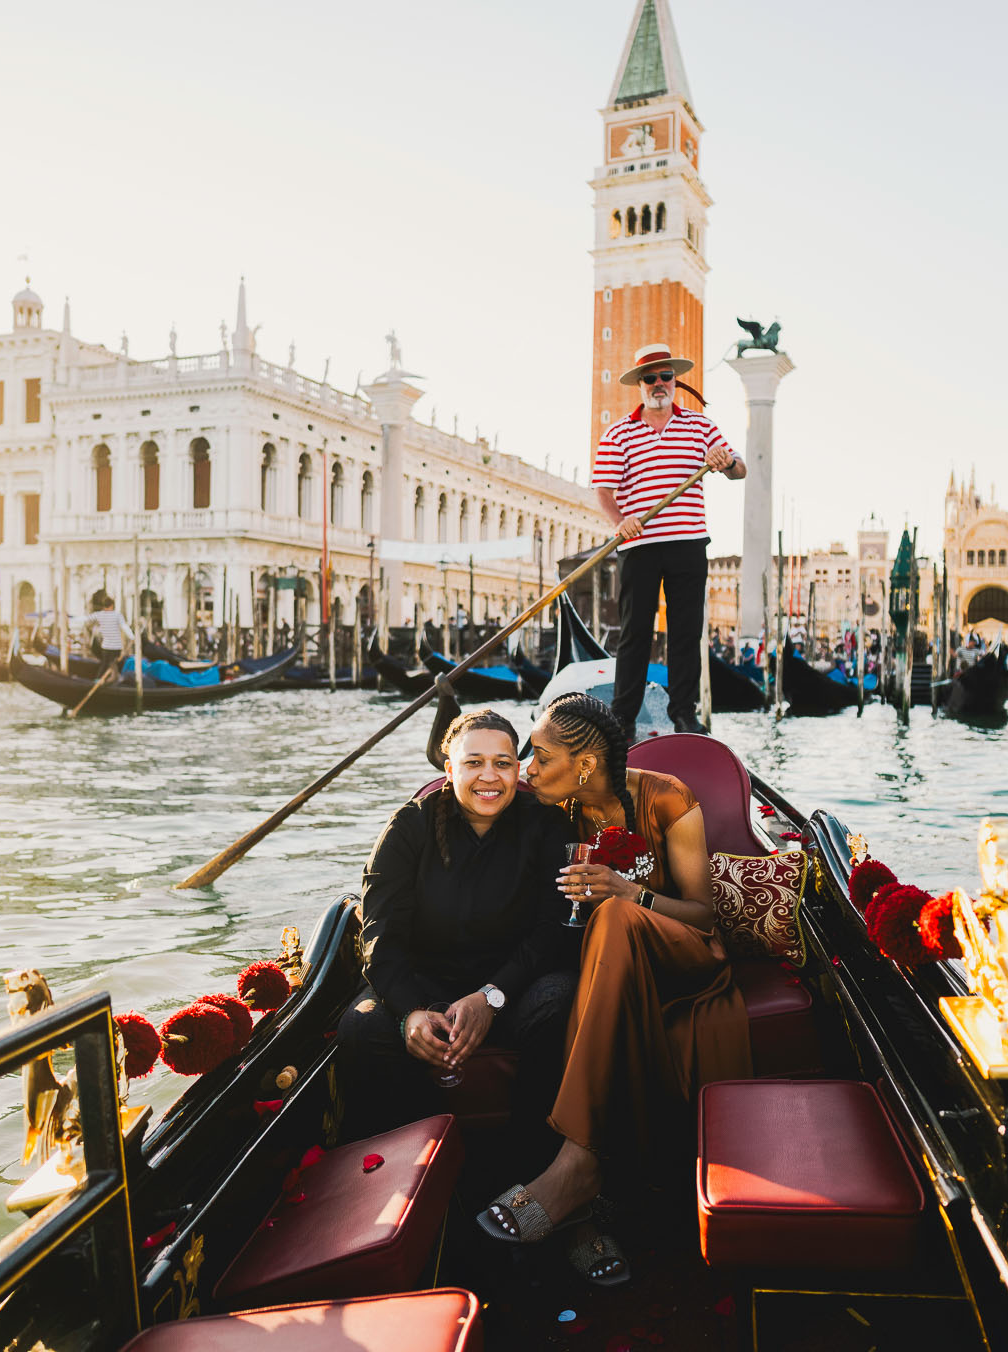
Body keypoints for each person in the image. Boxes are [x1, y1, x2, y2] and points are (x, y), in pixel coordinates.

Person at [477, 693, 748, 1285]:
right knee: (606, 926)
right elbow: (473, 788)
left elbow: (703, 917)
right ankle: (582, 1164)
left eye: (540, 757)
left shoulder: (666, 796)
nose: (528, 769)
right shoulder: (556, 808)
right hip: (610, 960)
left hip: (686, 956)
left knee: (618, 916)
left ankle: (577, 1163)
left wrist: (629, 893)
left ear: (585, 764)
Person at [337, 708, 575, 1143]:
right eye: (474, 762)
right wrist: (410, 1011)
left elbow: (551, 930)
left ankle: (530, 1154)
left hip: (513, 991)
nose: (490, 775)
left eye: (502, 763)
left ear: (517, 769)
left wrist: (491, 997)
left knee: (559, 1000)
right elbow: (379, 934)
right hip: (423, 988)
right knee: (361, 1026)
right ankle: (422, 1156)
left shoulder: (547, 825)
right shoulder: (409, 827)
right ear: (450, 769)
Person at [593, 342, 747, 735]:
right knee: (635, 634)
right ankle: (623, 717)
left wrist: (725, 462)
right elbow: (604, 492)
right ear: (640, 384)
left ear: (675, 381)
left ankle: (684, 714)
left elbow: (739, 470)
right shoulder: (618, 434)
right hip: (638, 545)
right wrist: (620, 520)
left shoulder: (699, 426)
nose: (659, 383)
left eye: (666, 376)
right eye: (651, 378)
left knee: (685, 632)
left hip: (688, 542)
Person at [80, 592, 126, 679]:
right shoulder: (116, 615)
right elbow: (124, 627)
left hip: (106, 647)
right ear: (112, 606)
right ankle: (109, 677)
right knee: (111, 664)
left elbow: (86, 618)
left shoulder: (100, 615)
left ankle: (102, 678)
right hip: (113, 646)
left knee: (107, 663)